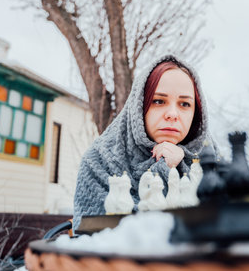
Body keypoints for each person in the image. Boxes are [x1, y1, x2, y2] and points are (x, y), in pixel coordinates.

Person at [73, 55, 209, 231]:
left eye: (184, 104)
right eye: (159, 101)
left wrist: (183, 165)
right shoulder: (100, 160)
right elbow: (93, 236)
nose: (173, 114)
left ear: (196, 113)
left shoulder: (210, 160)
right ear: (139, 106)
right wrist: (165, 168)